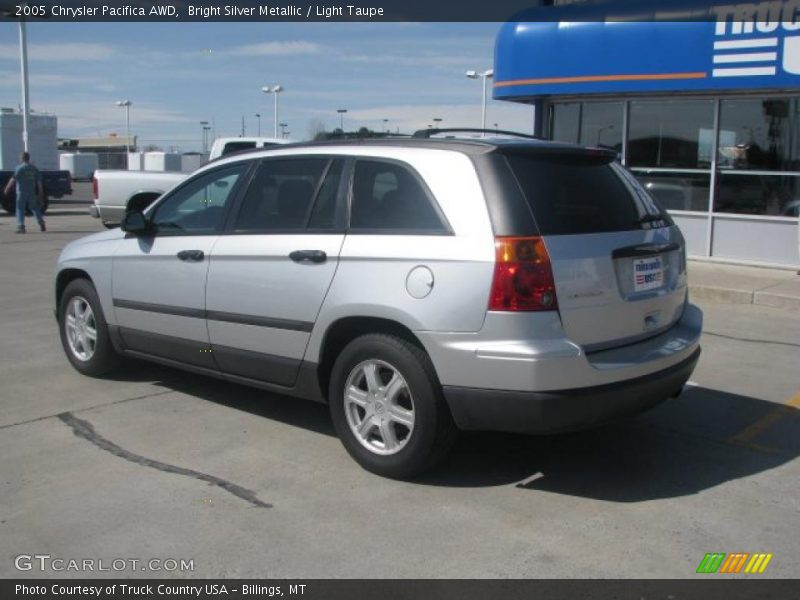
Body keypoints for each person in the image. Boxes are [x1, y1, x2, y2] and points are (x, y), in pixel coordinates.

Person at [3, 151, 45, 233]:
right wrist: (41, 192)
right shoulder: (34, 168)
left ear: (21, 158)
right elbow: (39, 182)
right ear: (29, 158)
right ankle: (41, 223)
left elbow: (13, 179)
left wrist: (7, 189)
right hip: (31, 192)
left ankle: (21, 226)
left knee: (20, 209)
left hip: (21, 192)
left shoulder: (19, 168)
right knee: (34, 208)